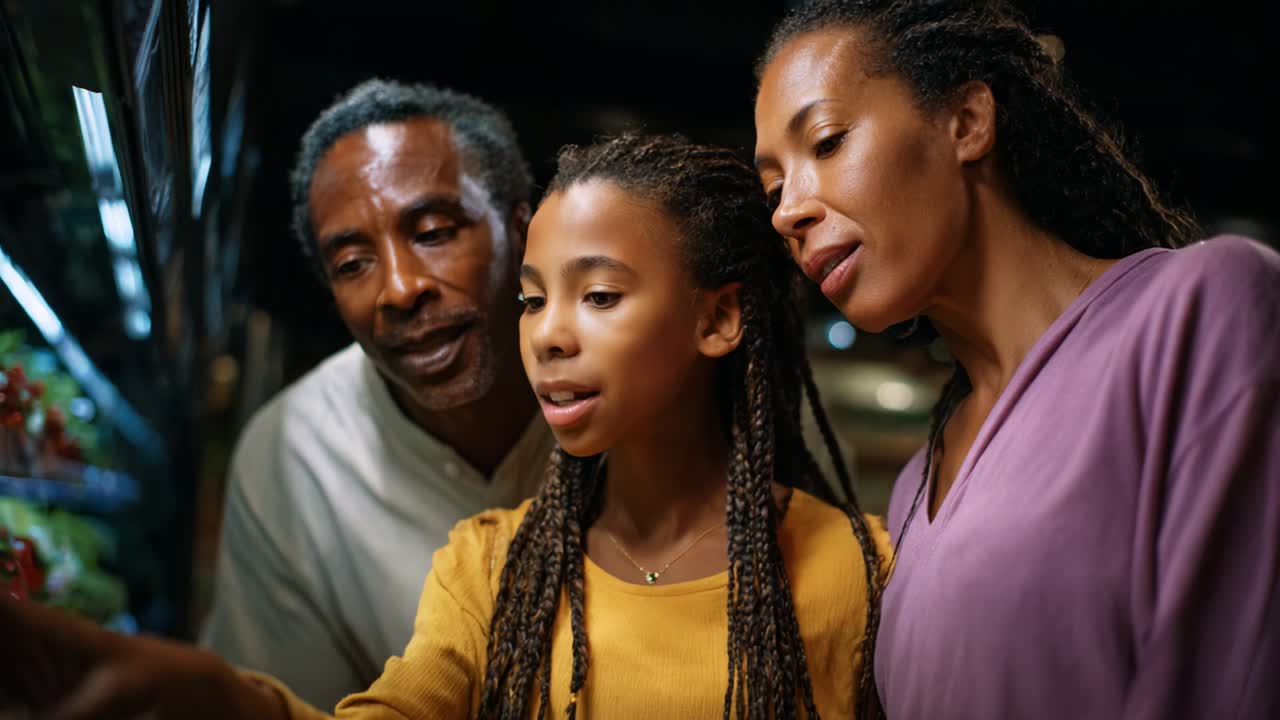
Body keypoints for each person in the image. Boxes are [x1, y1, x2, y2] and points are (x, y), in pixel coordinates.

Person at [0, 133, 891, 719]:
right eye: (535, 300)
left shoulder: (862, 572)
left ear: (718, 320)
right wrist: (223, 699)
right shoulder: (489, 566)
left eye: (601, 295)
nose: (549, 334)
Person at [752, 2, 1280, 719]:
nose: (787, 213)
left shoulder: (1203, 311)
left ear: (967, 122)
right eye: (775, 190)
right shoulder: (914, 488)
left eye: (827, 141)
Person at [200, 79, 555, 708]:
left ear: (525, 230)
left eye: (436, 231)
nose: (398, 289)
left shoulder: (652, 389)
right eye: (352, 264)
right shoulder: (293, 457)